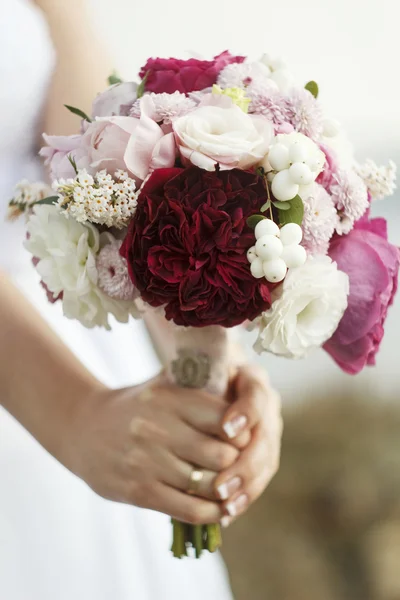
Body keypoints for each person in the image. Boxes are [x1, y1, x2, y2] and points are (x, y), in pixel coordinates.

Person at [0, 1, 283, 599]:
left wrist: (204, 356)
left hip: (82, 335)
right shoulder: (78, 413)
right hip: (34, 379)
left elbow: (92, 144)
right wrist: (77, 418)